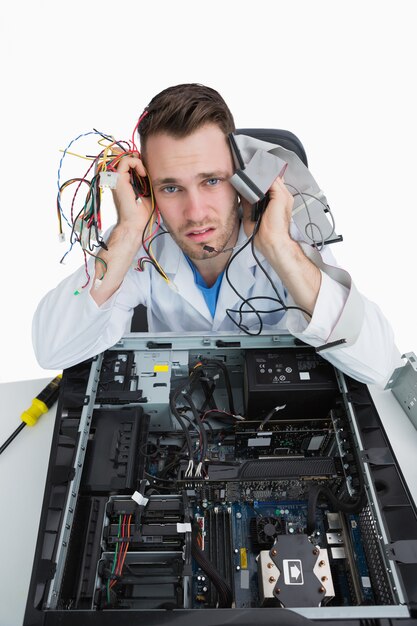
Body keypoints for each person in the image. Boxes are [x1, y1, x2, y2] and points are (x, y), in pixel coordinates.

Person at [32, 83, 402, 386]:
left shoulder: (283, 230)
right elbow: (52, 349)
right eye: (171, 188)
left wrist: (281, 251)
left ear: (241, 175)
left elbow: (381, 365)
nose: (195, 214)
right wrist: (128, 230)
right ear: (147, 187)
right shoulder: (140, 240)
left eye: (211, 180)